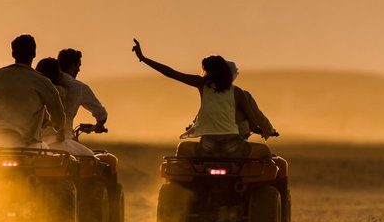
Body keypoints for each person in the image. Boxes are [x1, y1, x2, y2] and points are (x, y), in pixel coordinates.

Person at [130, 39, 276, 158]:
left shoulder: (202, 85)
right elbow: (253, 121)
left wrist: (143, 58)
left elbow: (170, 72)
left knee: (184, 151)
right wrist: (258, 129)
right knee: (264, 153)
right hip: (233, 146)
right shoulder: (237, 92)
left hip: (208, 145)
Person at [0, 35, 67, 148]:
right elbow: (58, 115)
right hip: (30, 146)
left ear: (13, 54)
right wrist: (58, 127)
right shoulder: (43, 81)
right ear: (34, 54)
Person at [57, 48, 108, 135]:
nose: (79, 70)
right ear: (73, 65)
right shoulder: (79, 87)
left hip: (40, 140)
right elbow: (102, 115)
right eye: (78, 66)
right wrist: (97, 126)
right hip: (64, 139)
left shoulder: (45, 82)